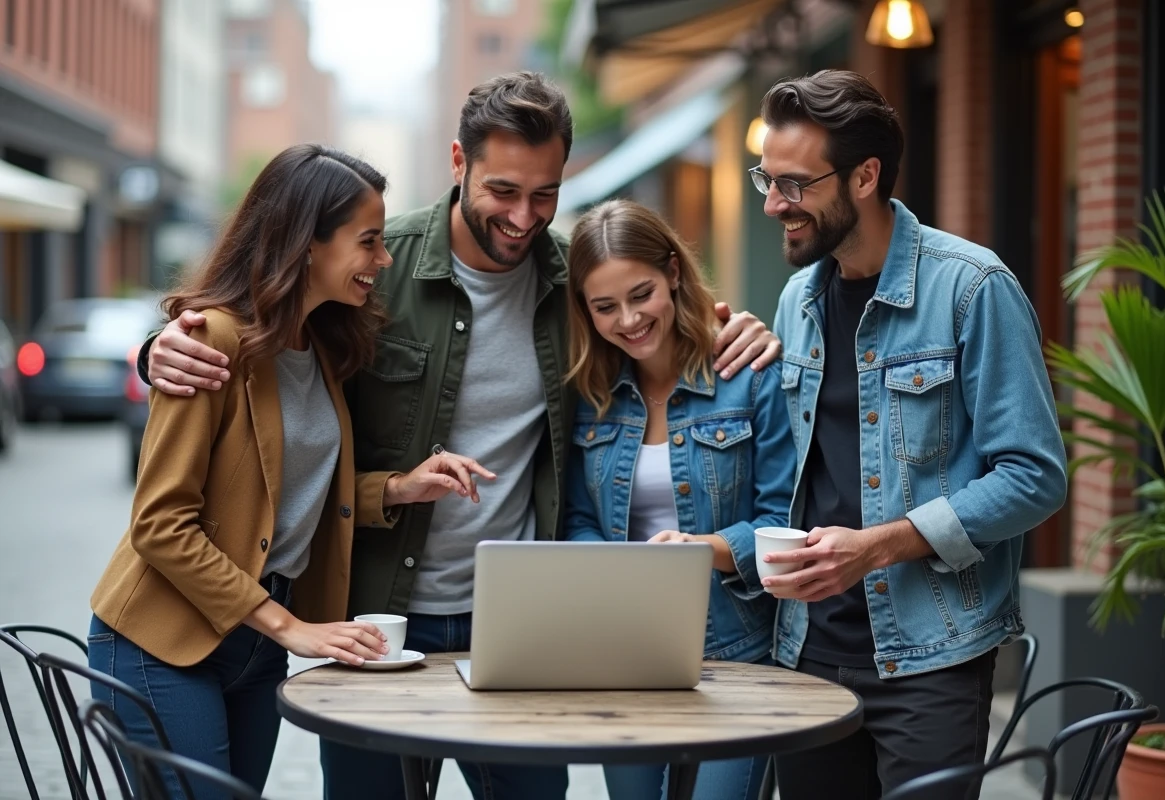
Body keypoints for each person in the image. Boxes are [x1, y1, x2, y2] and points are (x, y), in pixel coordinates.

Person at [136, 73, 781, 800]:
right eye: (503, 190)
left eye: (546, 194)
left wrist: (737, 327)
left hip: (518, 627)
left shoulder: (572, 281)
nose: (523, 215)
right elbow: (264, 334)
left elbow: (653, 325)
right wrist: (160, 348)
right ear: (457, 162)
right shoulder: (377, 267)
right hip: (378, 620)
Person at [87, 144, 490, 800]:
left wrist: (397, 487)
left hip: (250, 646)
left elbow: (286, 488)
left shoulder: (319, 348)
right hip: (163, 639)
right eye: (368, 242)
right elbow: (160, 526)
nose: (382, 260)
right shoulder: (212, 342)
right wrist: (289, 625)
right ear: (307, 244)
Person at [748, 70, 1069, 799]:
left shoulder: (973, 288)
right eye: (766, 179)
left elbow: (1034, 475)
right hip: (806, 652)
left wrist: (879, 545)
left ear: (864, 176)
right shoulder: (798, 298)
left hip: (932, 659)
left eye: (794, 185)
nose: (773, 204)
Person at [562, 199, 795, 800]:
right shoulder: (590, 395)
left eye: (641, 294)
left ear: (672, 272)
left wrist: (701, 549)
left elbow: (784, 520)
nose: (629, 319)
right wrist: (611, 562)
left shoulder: (750, 375)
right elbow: (580, 518)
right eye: (605, 306)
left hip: (740, 653)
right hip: (627, 654)